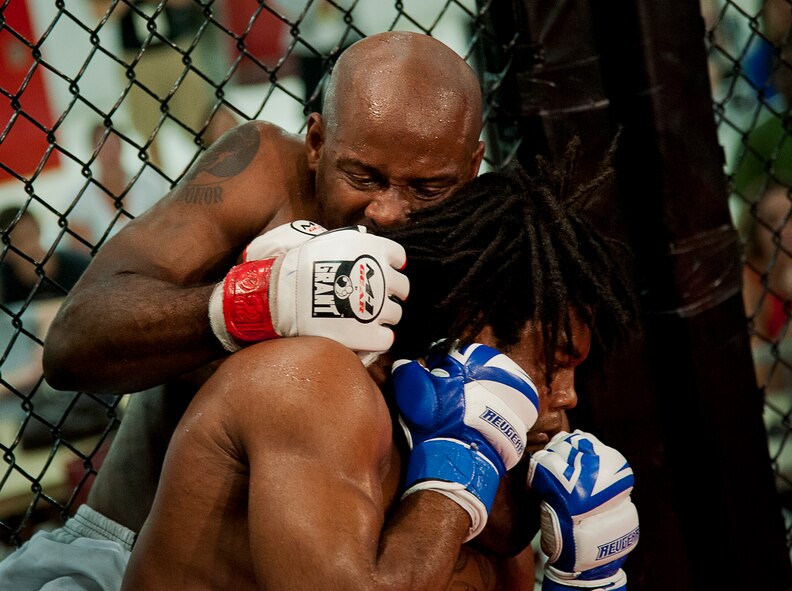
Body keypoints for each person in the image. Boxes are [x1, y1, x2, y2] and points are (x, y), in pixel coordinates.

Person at [38, 31, 486, 544]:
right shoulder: (265, 171)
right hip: (128, 550)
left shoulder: (481, 250)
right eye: (362, 177)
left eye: (427, 188)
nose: (386, 210)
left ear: (471, 168)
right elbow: (73, 342)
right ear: (317, 142)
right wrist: (257, 304)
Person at [119, 163, 640, 590]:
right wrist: (458, 473)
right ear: (472, 326)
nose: (567, 396)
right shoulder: (311, 383)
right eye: (553, 362)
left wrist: (582, 585)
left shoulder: (495, 513)